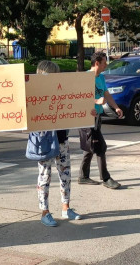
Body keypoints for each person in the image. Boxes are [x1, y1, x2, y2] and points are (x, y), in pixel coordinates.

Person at [27, 61, 81, 227]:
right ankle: (45, 212)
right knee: (45, 176)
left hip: (61, 138)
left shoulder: (61, 90)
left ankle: (66, 208)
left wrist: (87, 111)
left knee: (65, 175)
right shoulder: (34, 92)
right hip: (43, 140)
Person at [78, 51, 124, 189]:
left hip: (97, 117)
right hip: (87, 118)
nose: (106, 65)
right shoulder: (85, 77)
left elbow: (106, 93)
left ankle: (83, 176)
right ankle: (106, 178)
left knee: (90, 147)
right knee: (100, 147)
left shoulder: (101, 78)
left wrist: (116, 107)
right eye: (104, 63)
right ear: (97, 63)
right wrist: (96, 101)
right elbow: (79, 97)